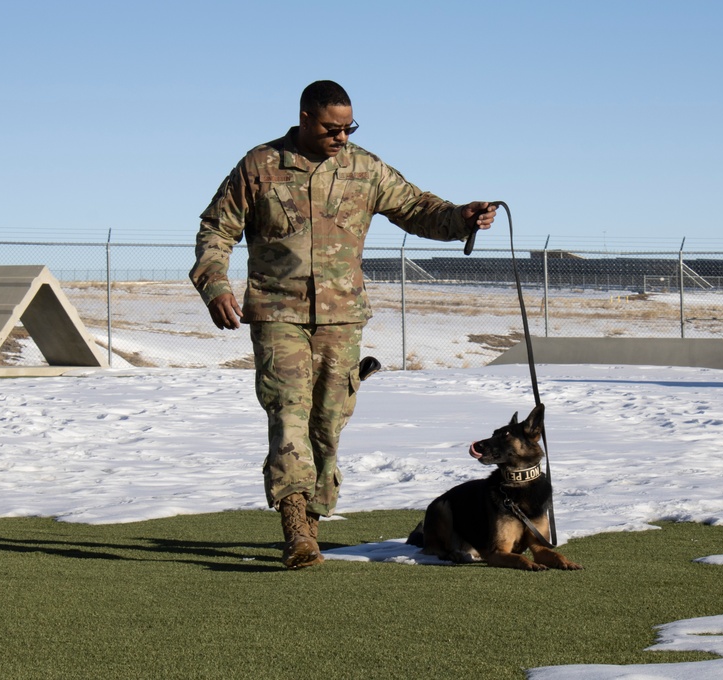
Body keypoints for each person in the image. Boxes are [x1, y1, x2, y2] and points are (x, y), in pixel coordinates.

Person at [189, 80, 496, 569]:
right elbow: (216, 228)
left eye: (350, 127)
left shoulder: (364, 167)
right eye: (332, 128)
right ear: (306, 118)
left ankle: (311, 519)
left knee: (328, 426)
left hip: (343, 318)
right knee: (289, 413)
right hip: (277, 314)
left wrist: (461, 216)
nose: (342, 137)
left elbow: (417, 208)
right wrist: (216, 286)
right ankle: (295, 529)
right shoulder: (259, 166)